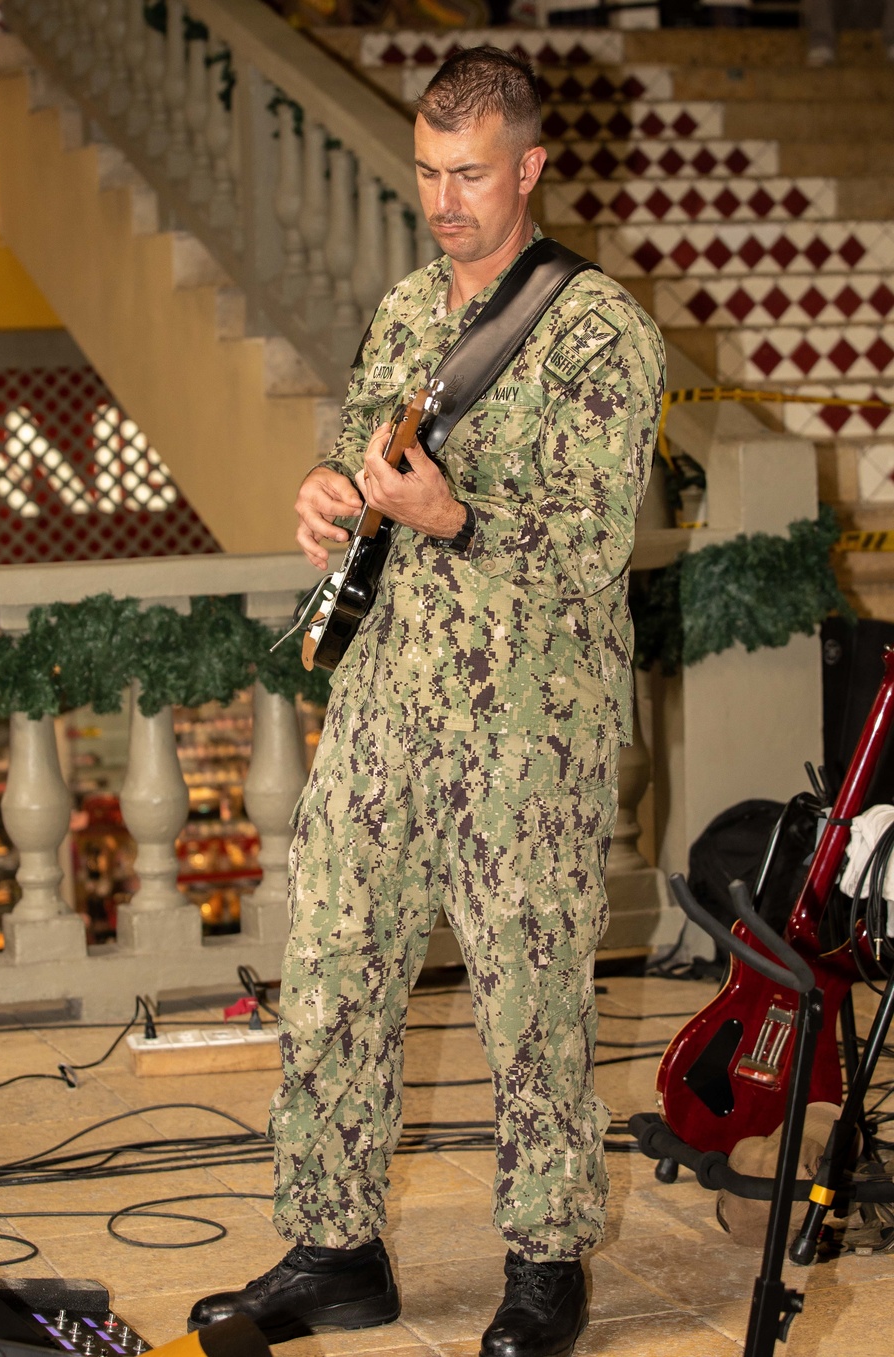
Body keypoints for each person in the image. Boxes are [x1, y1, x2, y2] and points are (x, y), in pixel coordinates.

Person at [188, 46, 664, 1357]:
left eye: (468, 175)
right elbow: (360, 461)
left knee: (533, 1003)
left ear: (529, 168)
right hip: (393, 706)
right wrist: (326, 494)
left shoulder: (597, 330)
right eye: (425, 172)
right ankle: (336, 1247)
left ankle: (546, 1269)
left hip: (529, 729)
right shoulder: (405, 309)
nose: (443, 200)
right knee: (335, 965)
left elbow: (589, 539)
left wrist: (451, 514)